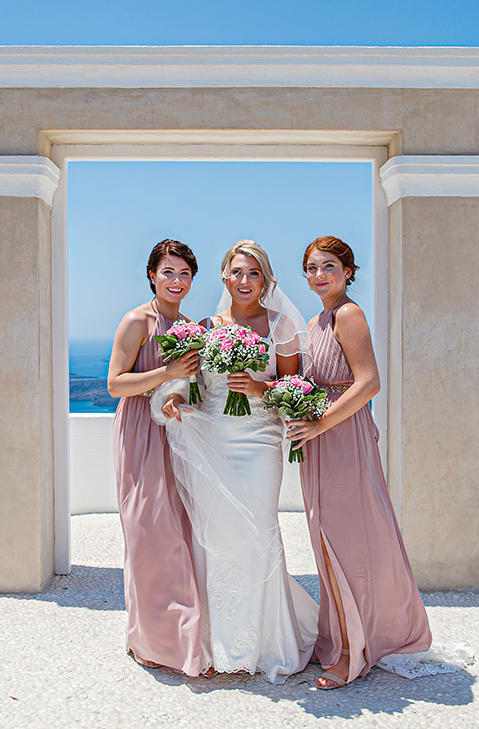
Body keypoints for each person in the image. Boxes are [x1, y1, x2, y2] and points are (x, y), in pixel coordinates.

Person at [286, 236, 473, 689]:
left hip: (342, 438)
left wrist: (320, 423)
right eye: (311, 268)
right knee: (324, 537)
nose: (318, 275)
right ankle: (339, 637)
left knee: (349, 541)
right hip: (317, 440)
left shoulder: (349, 315)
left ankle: (355, 652)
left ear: (349, 271)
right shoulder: (315, 321)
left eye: (328, 266)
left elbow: (369, 383)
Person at [151, 240, 318, 683]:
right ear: (224, 276)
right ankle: (216, 644)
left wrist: (258, 389)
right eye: (237, 273)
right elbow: (189, 381)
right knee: (215, 536)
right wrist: (173, 401)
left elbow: (293, 386)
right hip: (213, 437)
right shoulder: (205, 326)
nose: (245, 281)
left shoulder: (281, 326)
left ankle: (263, 644)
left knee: (258, 529)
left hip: (260, 442)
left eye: (254, 274)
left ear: (265, 280)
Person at [108, 239, 204, 676]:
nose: (177, 281)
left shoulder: (189, 327)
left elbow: (193, 384)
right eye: (169, 272)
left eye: (184, 273)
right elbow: (115, 384)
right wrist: (166, 373)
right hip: (138, 433)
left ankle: (179, 634)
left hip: (174, 433)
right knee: (145, 529)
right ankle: (146, 637)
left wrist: (180, 392)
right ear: (152, 274)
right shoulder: (136, 321)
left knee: (176, 531)